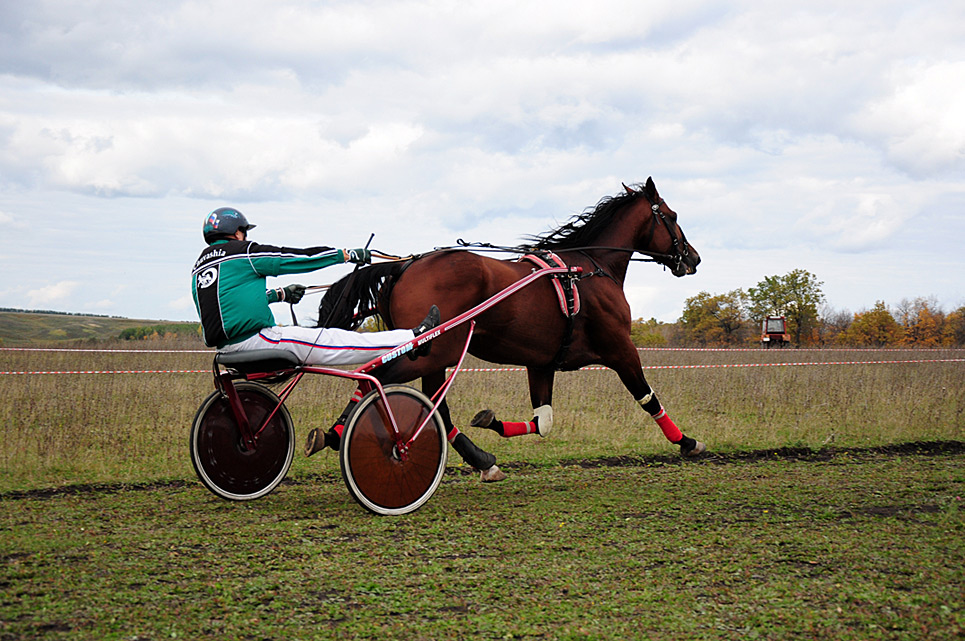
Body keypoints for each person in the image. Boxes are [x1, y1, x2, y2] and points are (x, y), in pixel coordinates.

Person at [191, 207, 439, 366]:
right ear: (236, 232)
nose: (245, 236)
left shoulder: (199, 269)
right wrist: (345, 255)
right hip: (259, 341)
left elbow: (229, 306)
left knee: (331, 340)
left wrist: (278, 294)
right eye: (244, 232)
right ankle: (413, 338)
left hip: (228, 350)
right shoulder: (242, 253)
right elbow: (296, 259)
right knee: (335, 340)